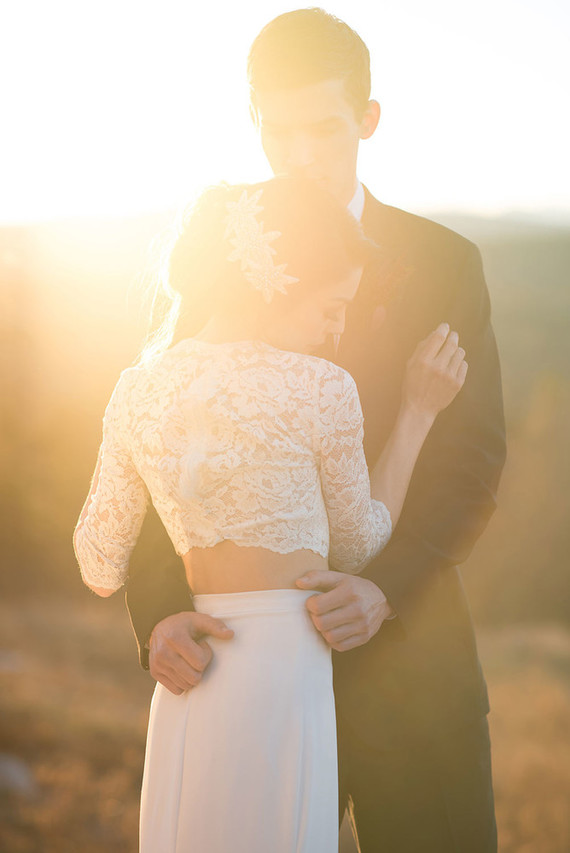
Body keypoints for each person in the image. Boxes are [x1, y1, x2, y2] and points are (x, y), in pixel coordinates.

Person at [125, 9, 506, 852]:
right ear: (254, 121)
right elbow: (155, 454)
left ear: (369, 121)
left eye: (324, 130)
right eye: (279, 131)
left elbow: (473, 458)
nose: (299, 156)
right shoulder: (207, 263)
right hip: (238, 681)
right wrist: (156, 614)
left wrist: (385, 587)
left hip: (413, 671)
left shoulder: (445, 262)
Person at [74, 176, 467, 852]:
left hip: (191, 678)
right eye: (333, 303)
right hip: (285, 674)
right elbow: (359, 542)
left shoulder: (137, 388)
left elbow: (100, 562)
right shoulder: (322, 387)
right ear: (278, 284)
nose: (338, 324)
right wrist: (417, 415)